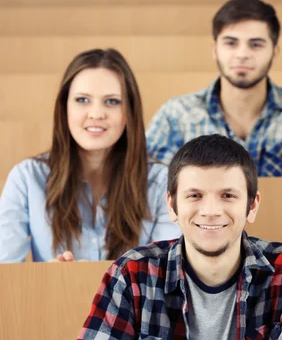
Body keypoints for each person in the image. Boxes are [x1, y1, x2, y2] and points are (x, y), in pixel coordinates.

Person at [64, 134, 282, 340]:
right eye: (195, 196)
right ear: (171, 205)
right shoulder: (132, 273)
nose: (211, 210)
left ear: (252, 205)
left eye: (227, 195)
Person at [0, 48, 180, 263]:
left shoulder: (161, 182)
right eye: (82, 100)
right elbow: (5, 275)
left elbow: (167, 278)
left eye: (112, 101)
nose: (95, 114)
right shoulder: (27, 178)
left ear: (129, 111)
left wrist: (95, 280)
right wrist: (48, 280)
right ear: (64, 107)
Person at [145, 0, 282, 177]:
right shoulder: (175, 115)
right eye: (231, 43)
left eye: (256, 44)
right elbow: (152, 194)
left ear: (274, 53)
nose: (242, 54)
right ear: (214, 50)